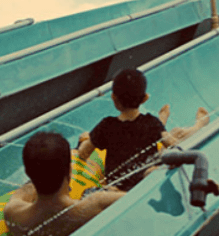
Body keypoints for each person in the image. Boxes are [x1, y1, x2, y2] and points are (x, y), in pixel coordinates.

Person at [77, 68, 209, 190]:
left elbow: (83, 153)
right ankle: (191, 125)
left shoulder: (105, 126)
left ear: (113, 98)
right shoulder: (151, 123)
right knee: (173, 134)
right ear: (145, 98)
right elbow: (175, 145)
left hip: (118, 186)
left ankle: (195, 124)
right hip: (144, 176)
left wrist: (84, 139)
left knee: (161, 141)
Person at [4, 131, 125, 236]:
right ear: (70, 170)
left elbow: (24, 190)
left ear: (28, 173)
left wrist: (41, 172)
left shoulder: (12, 213)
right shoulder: (96, 204)